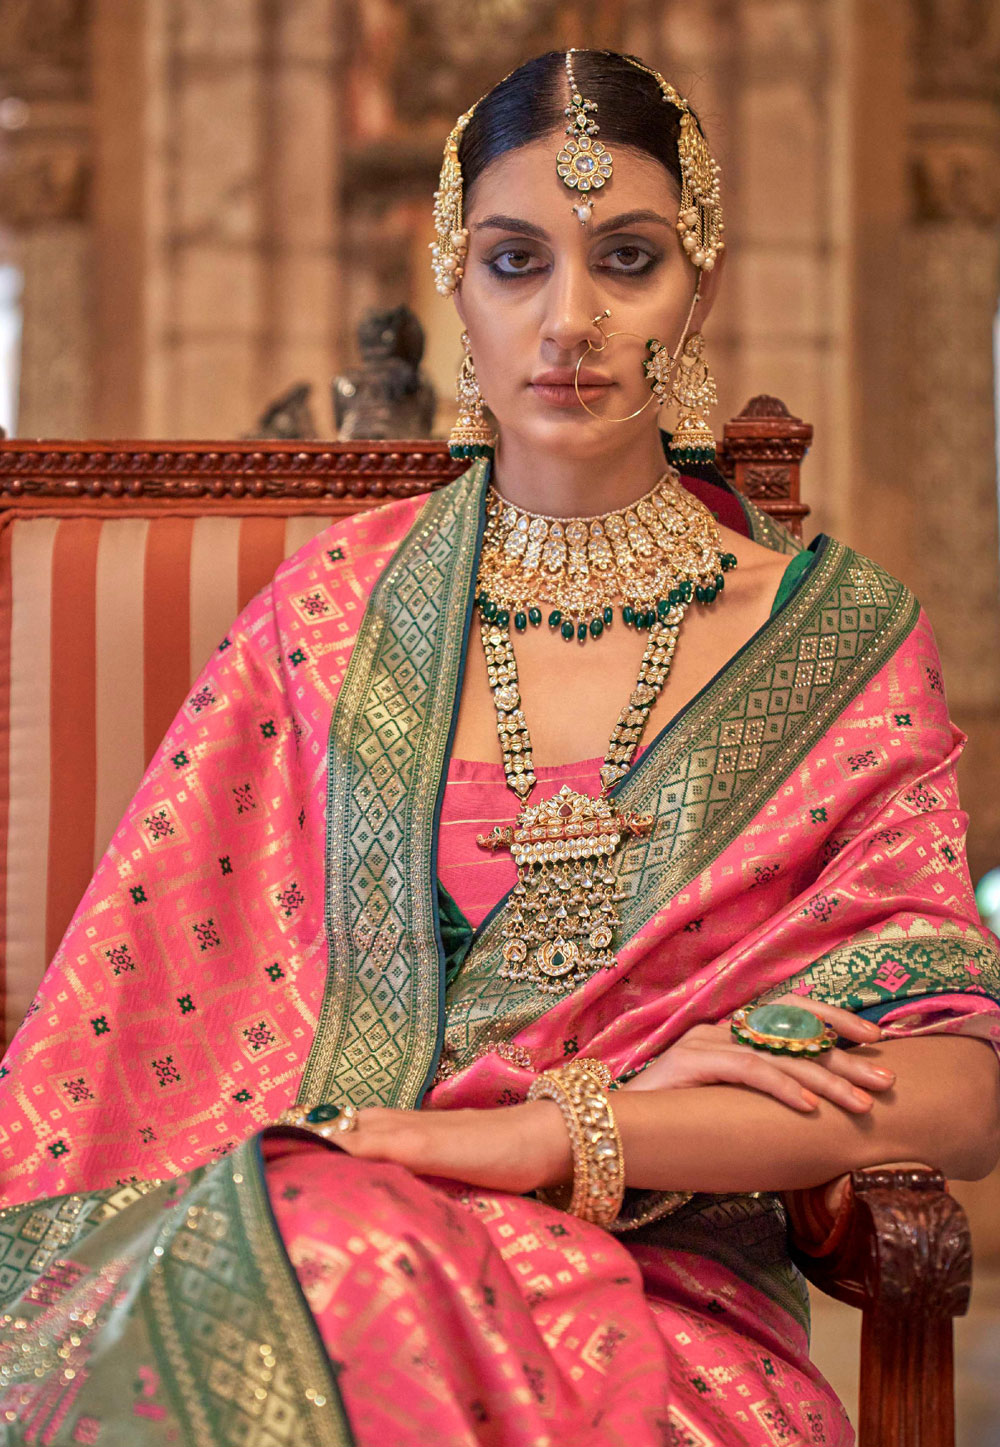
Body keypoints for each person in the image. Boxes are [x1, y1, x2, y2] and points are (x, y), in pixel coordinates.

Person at [0, 47, 997, 1447]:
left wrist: (565, 1129)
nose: (569, 320)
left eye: (628, 259)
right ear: (453, 285)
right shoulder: (331, 622)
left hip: (664, 1318)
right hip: (297, 1236)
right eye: (517, 261)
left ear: (700, 286)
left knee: (337, 1261)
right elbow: (133, 1037)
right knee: (323, 1247)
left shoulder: (837, 642)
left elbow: (959, 1089)